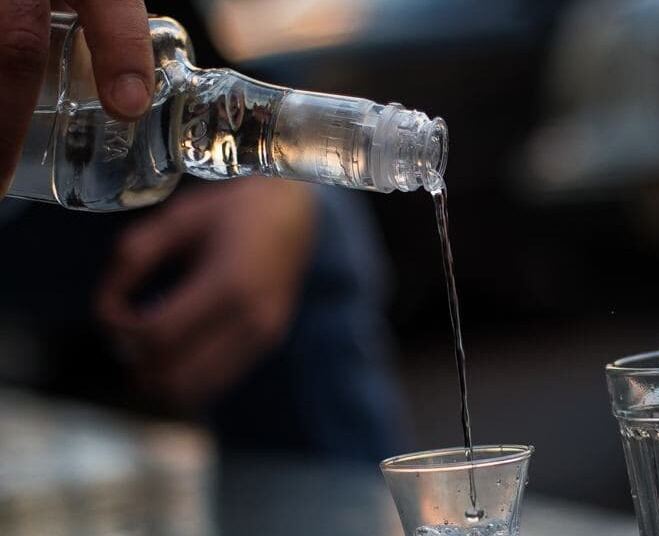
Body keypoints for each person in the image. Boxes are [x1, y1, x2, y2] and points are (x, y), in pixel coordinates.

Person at [0, 3, 410, 528]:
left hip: (83, 217)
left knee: (302, 228)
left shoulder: (163, 55)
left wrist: (283, 198)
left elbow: (192, 96)